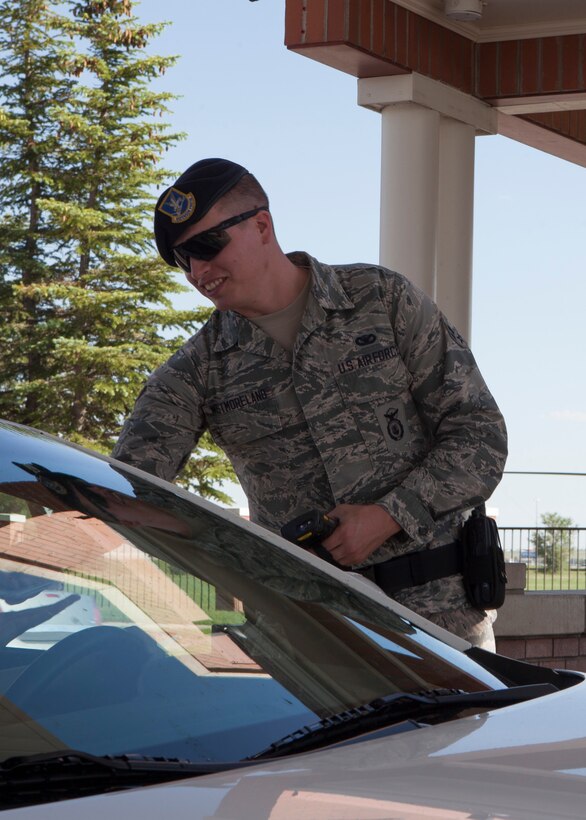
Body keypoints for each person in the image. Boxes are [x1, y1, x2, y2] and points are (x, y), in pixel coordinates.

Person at [112, 158, 508, 649]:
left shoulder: (380, 300)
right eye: (181, 259)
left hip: (444, 628)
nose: (197, 271)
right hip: (313, 646)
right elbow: (129, 493)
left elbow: (479, 434)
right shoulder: (196, 371)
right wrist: (240, 551)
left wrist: (390, 515)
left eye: (206, 247)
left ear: (261, 225)